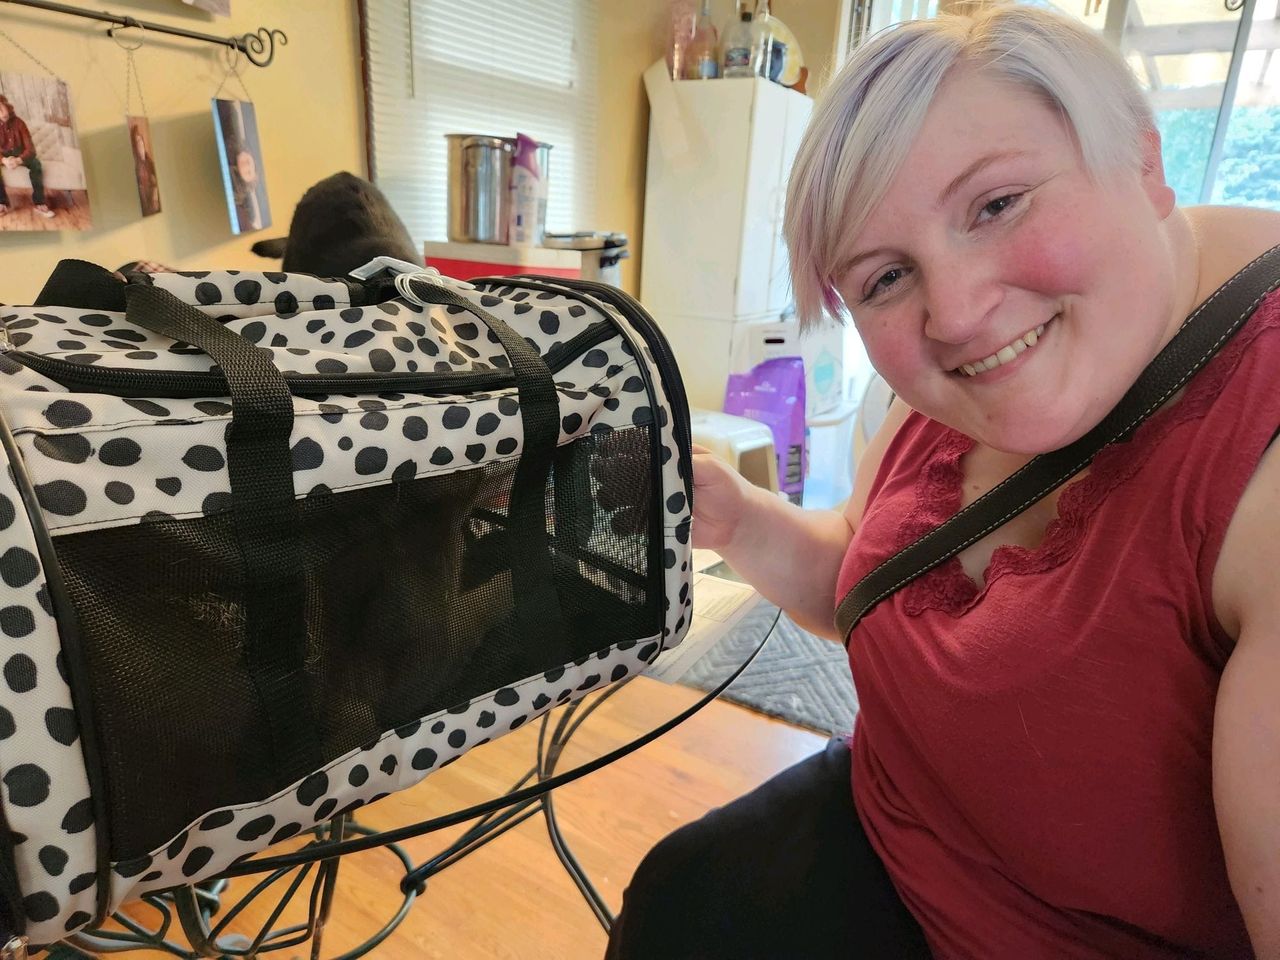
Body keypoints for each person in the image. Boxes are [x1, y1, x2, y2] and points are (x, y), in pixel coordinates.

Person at [607, 5, 1280, 959]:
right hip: (884, 826)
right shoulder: (959, 384)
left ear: (1143, 160)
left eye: (997, 205)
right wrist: (741, 519)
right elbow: (865, 572)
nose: (956, 315)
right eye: (885, 278)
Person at [0, 94, 55, 219]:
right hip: (5, 156)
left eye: (3, 108)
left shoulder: (19, 123)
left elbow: (31, 150)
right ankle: (1, 203)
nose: (3, 112)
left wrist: (19, 160)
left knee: (36, 164)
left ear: (8, 107)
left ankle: (39, 203)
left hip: (21, 154)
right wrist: (4, 160)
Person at [131, 122, 160, 216]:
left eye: (140, 140)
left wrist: (156, 187)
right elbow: (142, 194)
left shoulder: (148, 161)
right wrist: (154, 192)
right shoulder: (138, 167)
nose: (140, 144)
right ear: (136, 148)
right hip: (149, 205)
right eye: (137, 142)